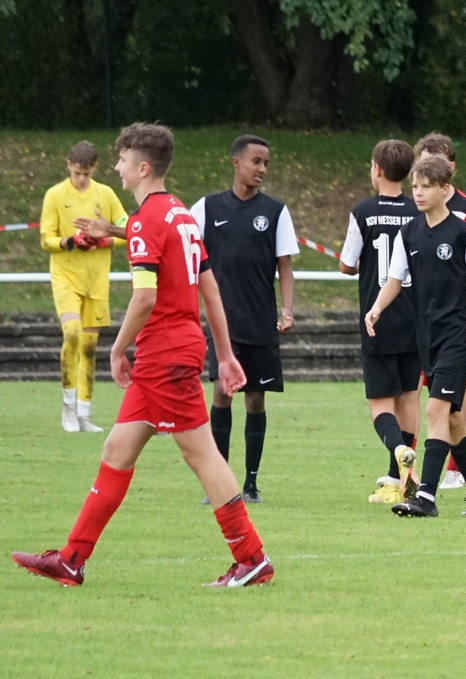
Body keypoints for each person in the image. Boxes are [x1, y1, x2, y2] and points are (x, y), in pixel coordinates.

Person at [12, 122, 273, 587]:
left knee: (203, 456)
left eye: (122, 159)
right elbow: (209, 288)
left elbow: (145, 297)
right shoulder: (180, 215)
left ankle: (250, 556)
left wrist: (117, 348)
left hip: (164, 355)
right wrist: (224, 354)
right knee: (117, 449)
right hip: (172, 352)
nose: (116, 167)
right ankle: (71, 559)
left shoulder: (148, 220)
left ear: (143, 167)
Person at [364, 155, 466, 517]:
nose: (418, 193)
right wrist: (376, 308)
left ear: (445, 189)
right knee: (452, 420)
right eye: (415, 187)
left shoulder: (463, 234)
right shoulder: (409, 233)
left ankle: (425, 498)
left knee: (436, 409)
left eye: (426, 187)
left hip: (457, 336)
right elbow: (395, 279)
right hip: (427, 338)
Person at [189, 135, 299, 504]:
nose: (262, 169)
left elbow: (285, 266)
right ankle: (218, 484)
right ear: (236, 162)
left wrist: (287, 309)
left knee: (255, 400)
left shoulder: (275, 212)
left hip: (261, 322)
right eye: (256, 161)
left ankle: (250, 484)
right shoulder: (207, 208)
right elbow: (180, 246)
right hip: (224, 323)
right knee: (222, 393)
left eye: (266, 163)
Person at [339, 139, 421, 505]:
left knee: (380, 404)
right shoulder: (419, 210)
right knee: (409, 399)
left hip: (378, 316)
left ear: (377, 169)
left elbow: (346, 264)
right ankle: (398, 479)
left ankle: (399, 455)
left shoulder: (364, 211)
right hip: (414, 317)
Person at [39, 140, 128, 433]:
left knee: (89, 347)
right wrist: (72, 241)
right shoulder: (55, 195)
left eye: (86, 174)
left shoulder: (106, 194)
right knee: (73, 333)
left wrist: (102, 240)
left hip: (96, 280)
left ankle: (84, 414)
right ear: (69, 166)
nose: (81, 179)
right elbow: (46, 239)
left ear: (94, 169)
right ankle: (67, 406)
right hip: (66, 277)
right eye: (77, 173)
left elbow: (128, 228)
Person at [413, 132, 466, 490]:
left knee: (446, 402)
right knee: (435, 403)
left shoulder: (464, 214)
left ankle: (435, 484)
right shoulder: (416, 212)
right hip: (423, 320)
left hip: (454, 322)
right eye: (421, 162)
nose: (420, 187)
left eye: (432, 163)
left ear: (448, 171)